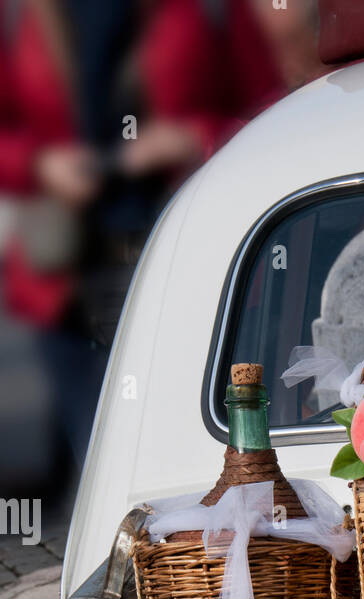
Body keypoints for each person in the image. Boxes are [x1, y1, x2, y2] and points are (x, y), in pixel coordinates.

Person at [0, 0, 294, 480]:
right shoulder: (21, 16)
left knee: (181, 461)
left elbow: (271, 112)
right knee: (100, 472)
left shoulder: (212, 9)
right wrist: (40, 165)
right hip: (68, 277)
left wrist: (193, 137)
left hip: (189, 265)